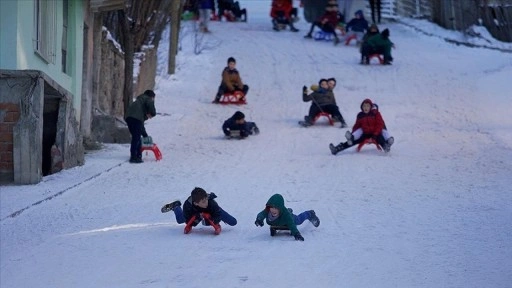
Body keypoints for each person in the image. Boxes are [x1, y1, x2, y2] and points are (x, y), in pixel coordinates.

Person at [329, 98, 394, 155]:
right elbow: (357, 126)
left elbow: (380, 124)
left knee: (380, 138)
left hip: (376, 133)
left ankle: (386, 146)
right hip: (365, 134)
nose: (366, 108)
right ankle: (336, 149)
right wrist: (353, 134)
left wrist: (375, 135)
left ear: (370, 107)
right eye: (364, 106)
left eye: (368, 106)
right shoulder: (360, 115)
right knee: (351, 142)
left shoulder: (376, 114)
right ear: (362, 107)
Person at [161, 187, 237, 235]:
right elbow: (188, 222)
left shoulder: (211, 203)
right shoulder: (188, 205)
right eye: (203, 202)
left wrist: (210, 221)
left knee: (233, 222)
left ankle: (216, 211)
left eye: (206, 199)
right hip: (194, 212)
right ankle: (176, 206)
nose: (206, 202)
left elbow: (217, 216)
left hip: (212, 210)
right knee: (180, 220)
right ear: (196, 203)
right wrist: (197, 217)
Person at [254, 193, 320, 241]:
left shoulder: (286, 215)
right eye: (272, 208)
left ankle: (310, 214)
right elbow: (261, 214)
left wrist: (296, 234)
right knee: (287, 213)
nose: (273, 210)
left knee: (298, 220)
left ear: (280, 208)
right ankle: (289, 210)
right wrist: (259, 219)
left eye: (276, 208)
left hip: (289, 219)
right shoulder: (268, 211)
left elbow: (291, 224)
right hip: (278, 223)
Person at [125, 90, 156, 163]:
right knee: (136, 138)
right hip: (135, 119)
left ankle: (138, 155)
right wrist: (153, 113)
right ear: (151, 97)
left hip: (128, 118)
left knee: (136, 137)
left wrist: (145, 135)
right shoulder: (147, 99)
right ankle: (133, 157)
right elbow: (150, 104)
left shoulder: (139, 101)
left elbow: (141, 125)